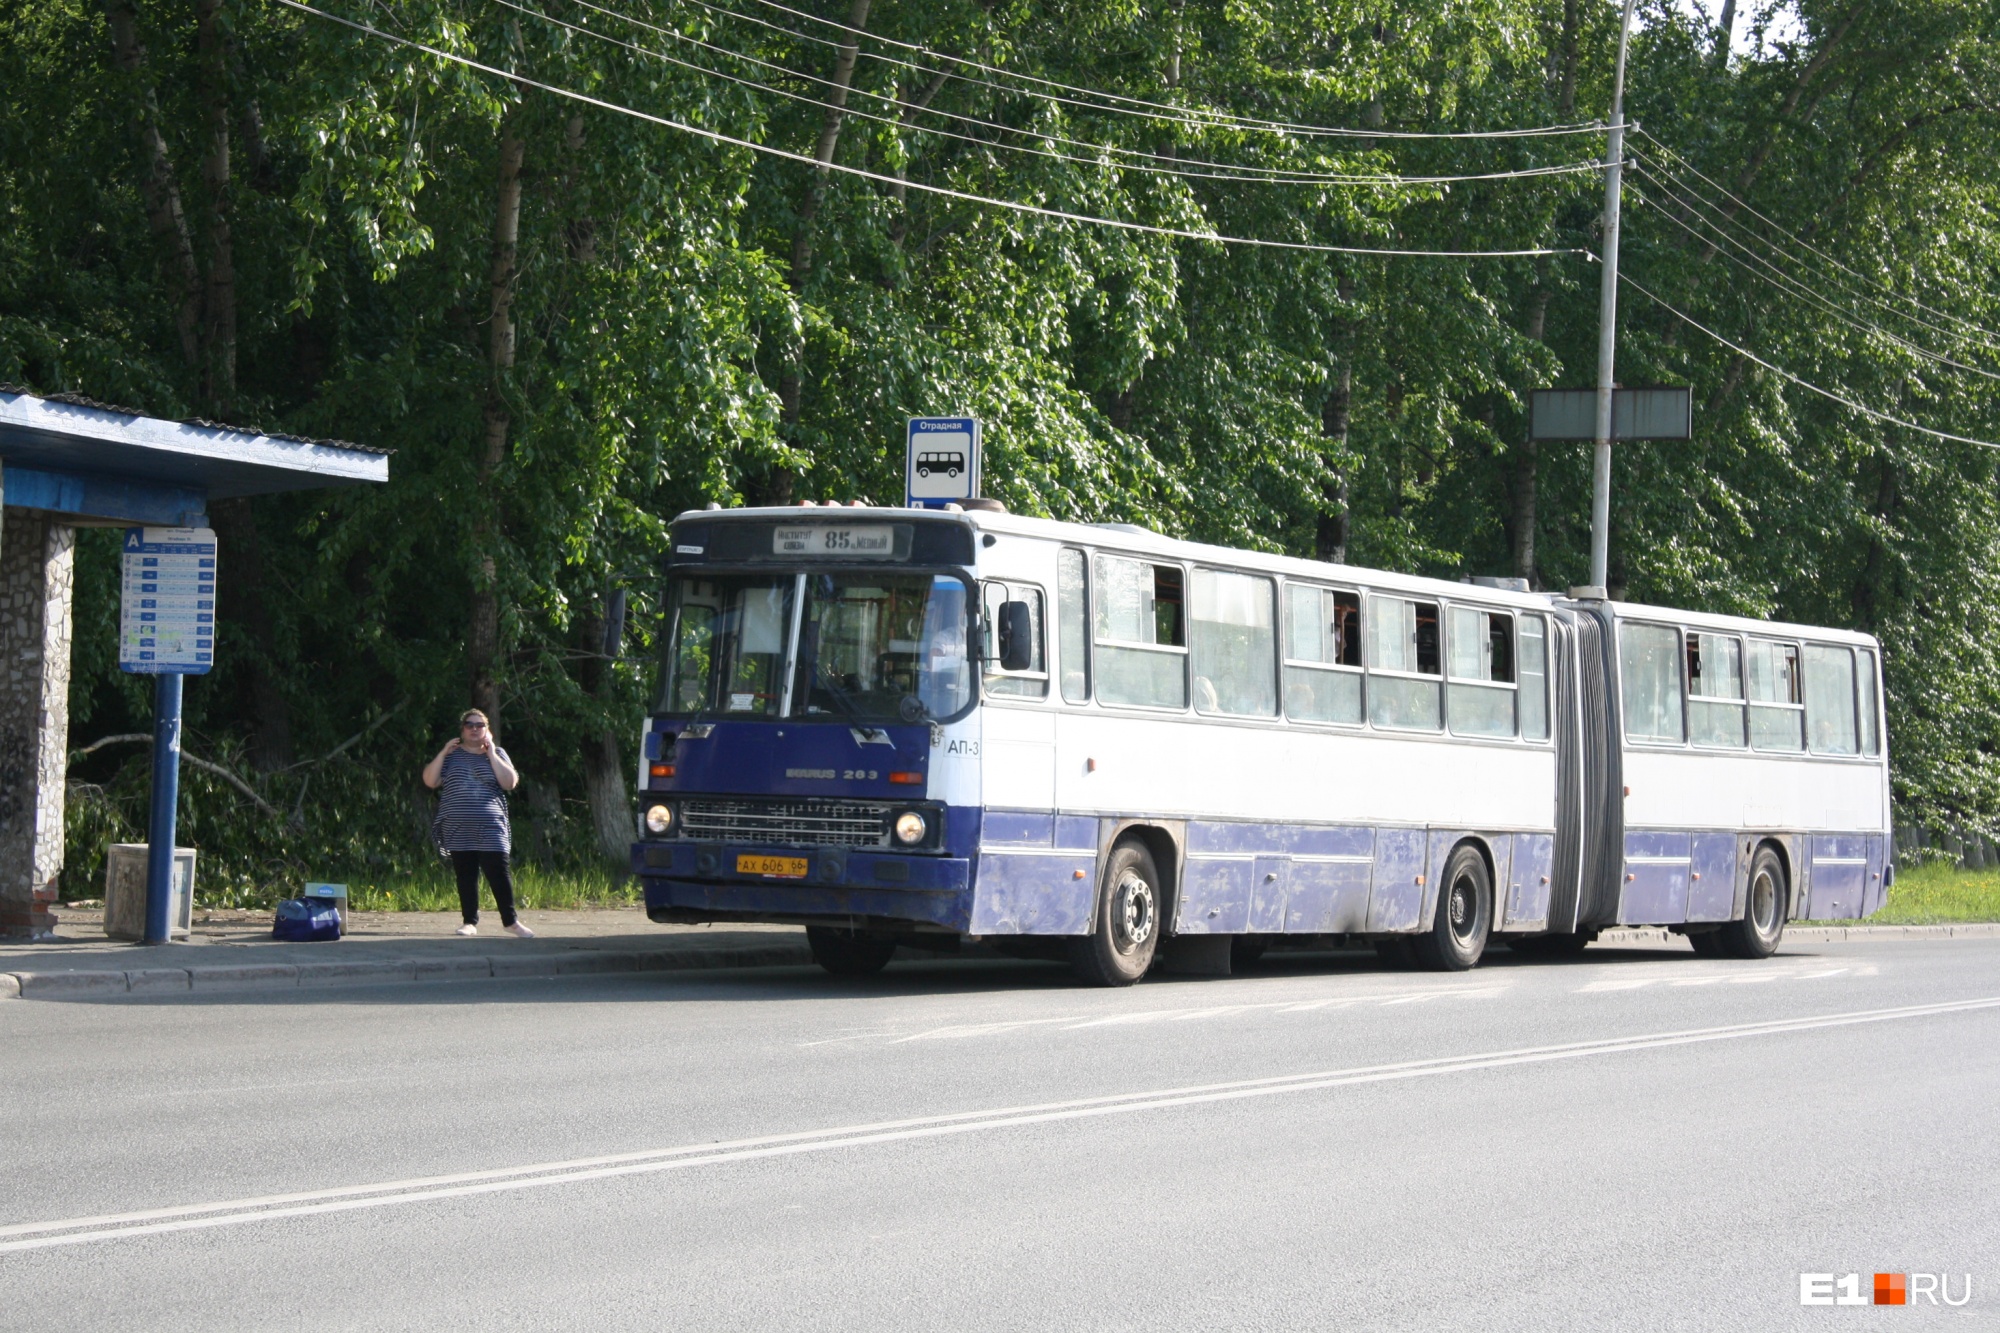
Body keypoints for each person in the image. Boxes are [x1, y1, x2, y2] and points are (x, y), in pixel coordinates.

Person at [422, 709, 533, 938]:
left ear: (487, 729)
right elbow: (430, 781)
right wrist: (443, 752)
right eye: (469, 725)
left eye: (479, 725)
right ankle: (469, 922)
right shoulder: (451, 755)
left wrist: (491, 753)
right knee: (466, 874)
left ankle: (510, 922)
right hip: (458, 825)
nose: (474, 729)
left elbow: (509, 783)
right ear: (462, 729)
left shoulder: (498, 753)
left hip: (491, 825)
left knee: (498, 872)